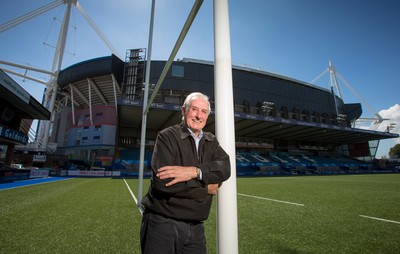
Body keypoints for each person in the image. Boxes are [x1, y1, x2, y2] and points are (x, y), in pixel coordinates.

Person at [140, 92, 231, 254]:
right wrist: (205, 188)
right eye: (194, 109)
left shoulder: (211, 140)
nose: (198, 116)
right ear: (183, 111)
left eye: (204, 112)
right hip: (163, 224)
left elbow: (225, 168)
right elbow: (163, 183)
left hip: (196, 228)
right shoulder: (167, 136)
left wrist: (195, 171)